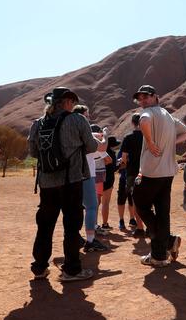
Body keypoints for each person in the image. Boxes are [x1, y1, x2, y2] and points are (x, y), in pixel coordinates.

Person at [27, 87, 99, 282]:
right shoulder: (77, 120)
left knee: (45, 225)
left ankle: (39, 267)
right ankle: (72, 270)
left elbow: (33, 152)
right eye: (72, 102)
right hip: (71, 180)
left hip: (47, 182)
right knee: (71, 225)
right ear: (67, 102)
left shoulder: (38, 124)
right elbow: (92, 146)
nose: (73, 105)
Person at [131, 85, 186, 266]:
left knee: (140, 205)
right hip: (168, 172)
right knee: (162, 212)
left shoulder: (148, 113)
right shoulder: (167, 115)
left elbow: (144, 122)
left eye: (146, 97)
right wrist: (170, 142)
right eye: (140, 99)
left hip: (151, 171)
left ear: (155, 97)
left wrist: (149, 141)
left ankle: (168, 240)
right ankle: (159, 256)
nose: (143, 101)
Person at [72, 106, 109, 252]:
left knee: (74, 208)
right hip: (86, 174)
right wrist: (105, 134)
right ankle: (90, 241)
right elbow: (102, 147)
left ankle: (74, 237)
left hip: (70, 174)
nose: (88, 119)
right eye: (87, 116)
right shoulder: (85, 132)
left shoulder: (69, 131)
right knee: (91, 206)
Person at [119, 113, 145, 236]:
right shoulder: (148, 136)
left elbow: (123, 158)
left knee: (135, 200)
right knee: (148, 199)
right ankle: (150, 227)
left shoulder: (128, 137)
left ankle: (140, 227)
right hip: (147, 171)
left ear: (133, 123)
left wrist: (123, 162)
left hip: (132, 172)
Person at [99, 136, 119, 231]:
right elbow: (113, 168)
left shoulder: (100, 152)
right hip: (109, 180)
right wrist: (120, 165)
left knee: (96, 203)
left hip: (98, 178)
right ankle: (105, 224)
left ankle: (94, 225)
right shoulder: (111, 154)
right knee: (105, 203)